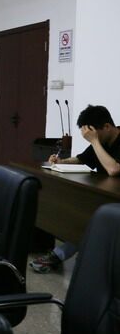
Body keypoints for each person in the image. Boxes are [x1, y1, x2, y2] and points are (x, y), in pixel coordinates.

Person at [30, 104, 120, 273]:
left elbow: (113, 169)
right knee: (79, 214)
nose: (93, 140)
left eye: (94, 136)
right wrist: (61, 161)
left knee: (87, 219)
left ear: (107, 126)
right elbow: (81, 158)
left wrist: (95, 141)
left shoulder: (103, 141)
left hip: (115, 203)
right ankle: (61, 255)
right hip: (104, 197)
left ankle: (59, 256)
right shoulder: (103, 140)